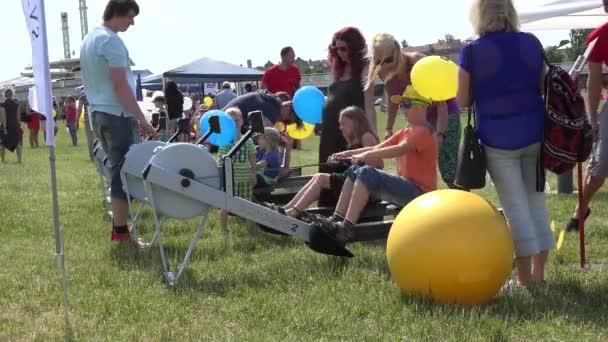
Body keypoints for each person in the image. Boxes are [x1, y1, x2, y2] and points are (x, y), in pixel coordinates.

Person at [457, 0, 552, 289]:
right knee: (537, 203)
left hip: (498, 138)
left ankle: (524, 281)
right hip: (536, 133)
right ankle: (539, 275)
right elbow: (543, 87)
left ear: (479, 15)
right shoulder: (532, 43)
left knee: (515, 208)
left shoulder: (472, 50)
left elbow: (463, 100)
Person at [80, 0, 157, 248]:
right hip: (117, 115)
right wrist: (142, 118)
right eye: (130, 17)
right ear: (118, 13)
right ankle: (122, 234)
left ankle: (121, 231)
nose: (132, 23)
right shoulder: (110, 40)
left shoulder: (90, 38)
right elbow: (120, 85)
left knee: (117, 170)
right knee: (124, 174)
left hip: (99, 113)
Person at [321, 86, 438, 245]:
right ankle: (336, 219)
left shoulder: (423, 131)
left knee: (367, 173)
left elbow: (399, 149)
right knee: (355, 170)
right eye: (401, 105)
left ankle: (346, 228)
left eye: (407, 104)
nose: (402, 109)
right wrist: (345, 154)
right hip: (407, 188)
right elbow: (379, 147)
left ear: (423, 106)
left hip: (420, 192)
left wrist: (367, 156)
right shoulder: (406, 131)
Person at [365, 32, 462, 188]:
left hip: (445, 115)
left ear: (397, 51)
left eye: (389, 60)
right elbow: (393, 100)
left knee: (449, 169)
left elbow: (442, 103)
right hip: (419, 119)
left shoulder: (418, 62)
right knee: (415, 169)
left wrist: (440, 133)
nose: (385, 66)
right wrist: (388, 128)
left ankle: (465, 204)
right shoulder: (384, 70)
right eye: (379, 62)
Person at [274, 106, 381, 218]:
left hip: (364, 188)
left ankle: (293, 212)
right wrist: (340, 161)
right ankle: (288, 208)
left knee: (321, 178)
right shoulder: (357, 139)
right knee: (318, 176)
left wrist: (347, 156)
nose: (340, 127)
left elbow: (376, 161)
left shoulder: (366, 137)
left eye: (343, 123)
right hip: (353, 182)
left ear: (355, 122)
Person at [318, 28, 375, 205]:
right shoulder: (338, 68)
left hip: (351, 132)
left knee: (345, 172)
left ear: (355, 46)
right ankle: (326, 212)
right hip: (329, 131)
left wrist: (373, 135)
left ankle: (347, 214)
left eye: (343, 48)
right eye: (336, 49)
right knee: (327, 169)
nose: (339, 53)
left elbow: (369, 104)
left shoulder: (365, 67)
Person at [567, 3, 608, 232]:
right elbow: (593, 80)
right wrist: (592, 118)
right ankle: (580, 209)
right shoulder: (599, 37)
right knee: (600, 166)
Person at [218, 107, 257, 233]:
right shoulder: (225, 141)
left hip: (245, 177)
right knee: (226, 205)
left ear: (242, 121)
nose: (234, 123)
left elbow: (252, 158)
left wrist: (253, 173)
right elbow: (221, 160)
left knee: (247, 204)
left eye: (237, 120)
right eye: (231, 121)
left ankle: (250, 228)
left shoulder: (247, 139)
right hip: (230, 179)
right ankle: (224, 229)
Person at [0, 89, 23, 163]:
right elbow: (18, 117)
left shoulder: (2, 105)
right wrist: (19, 125)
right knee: (17, 143)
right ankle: (19, 160)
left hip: (6, 126)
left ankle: (3, 160)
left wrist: (4, 128)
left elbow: (3, 117)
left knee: (2, 144)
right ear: (12, 94)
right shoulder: (17, 104)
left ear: (4, 95)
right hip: (15, 125)